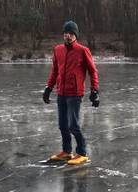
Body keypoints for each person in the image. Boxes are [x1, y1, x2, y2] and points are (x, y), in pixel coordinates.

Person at [43, 20, 99, 165]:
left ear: (75, 35)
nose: (67, 36)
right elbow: (55, 71)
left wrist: (94, 90)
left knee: (73, 125)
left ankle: (82, 152)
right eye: (66, 33)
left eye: (71, 34)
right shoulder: (58, 50)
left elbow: (93, 71)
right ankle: (67, 152)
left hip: (75, 93)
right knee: (62, 125)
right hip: (61, 92)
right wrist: (48, 88)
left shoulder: (82, 50)